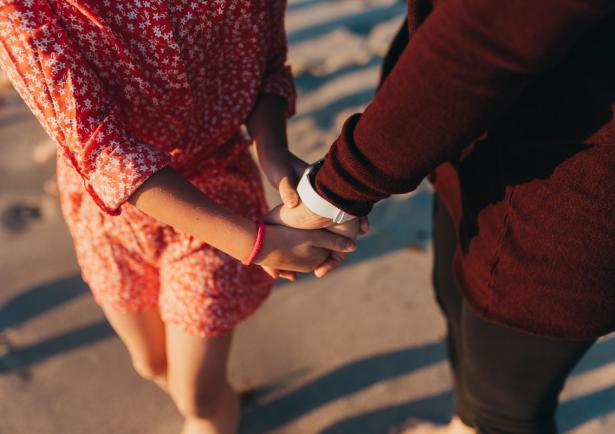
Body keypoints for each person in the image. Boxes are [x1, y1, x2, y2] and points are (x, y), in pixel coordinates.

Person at [267, 0, 615, 433]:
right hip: (467, 138)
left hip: (582, 189)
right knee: (455, 302)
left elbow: (489, 33)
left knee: (505, 408)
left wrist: (336, 192)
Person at [0, 2, 359, 433]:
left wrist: (274, 153)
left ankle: (211, 415)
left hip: (218, 206)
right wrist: (261, 244)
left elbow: (267, 67)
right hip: (108, 218)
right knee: (149, 362)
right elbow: (101, 150)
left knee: (198, 393)